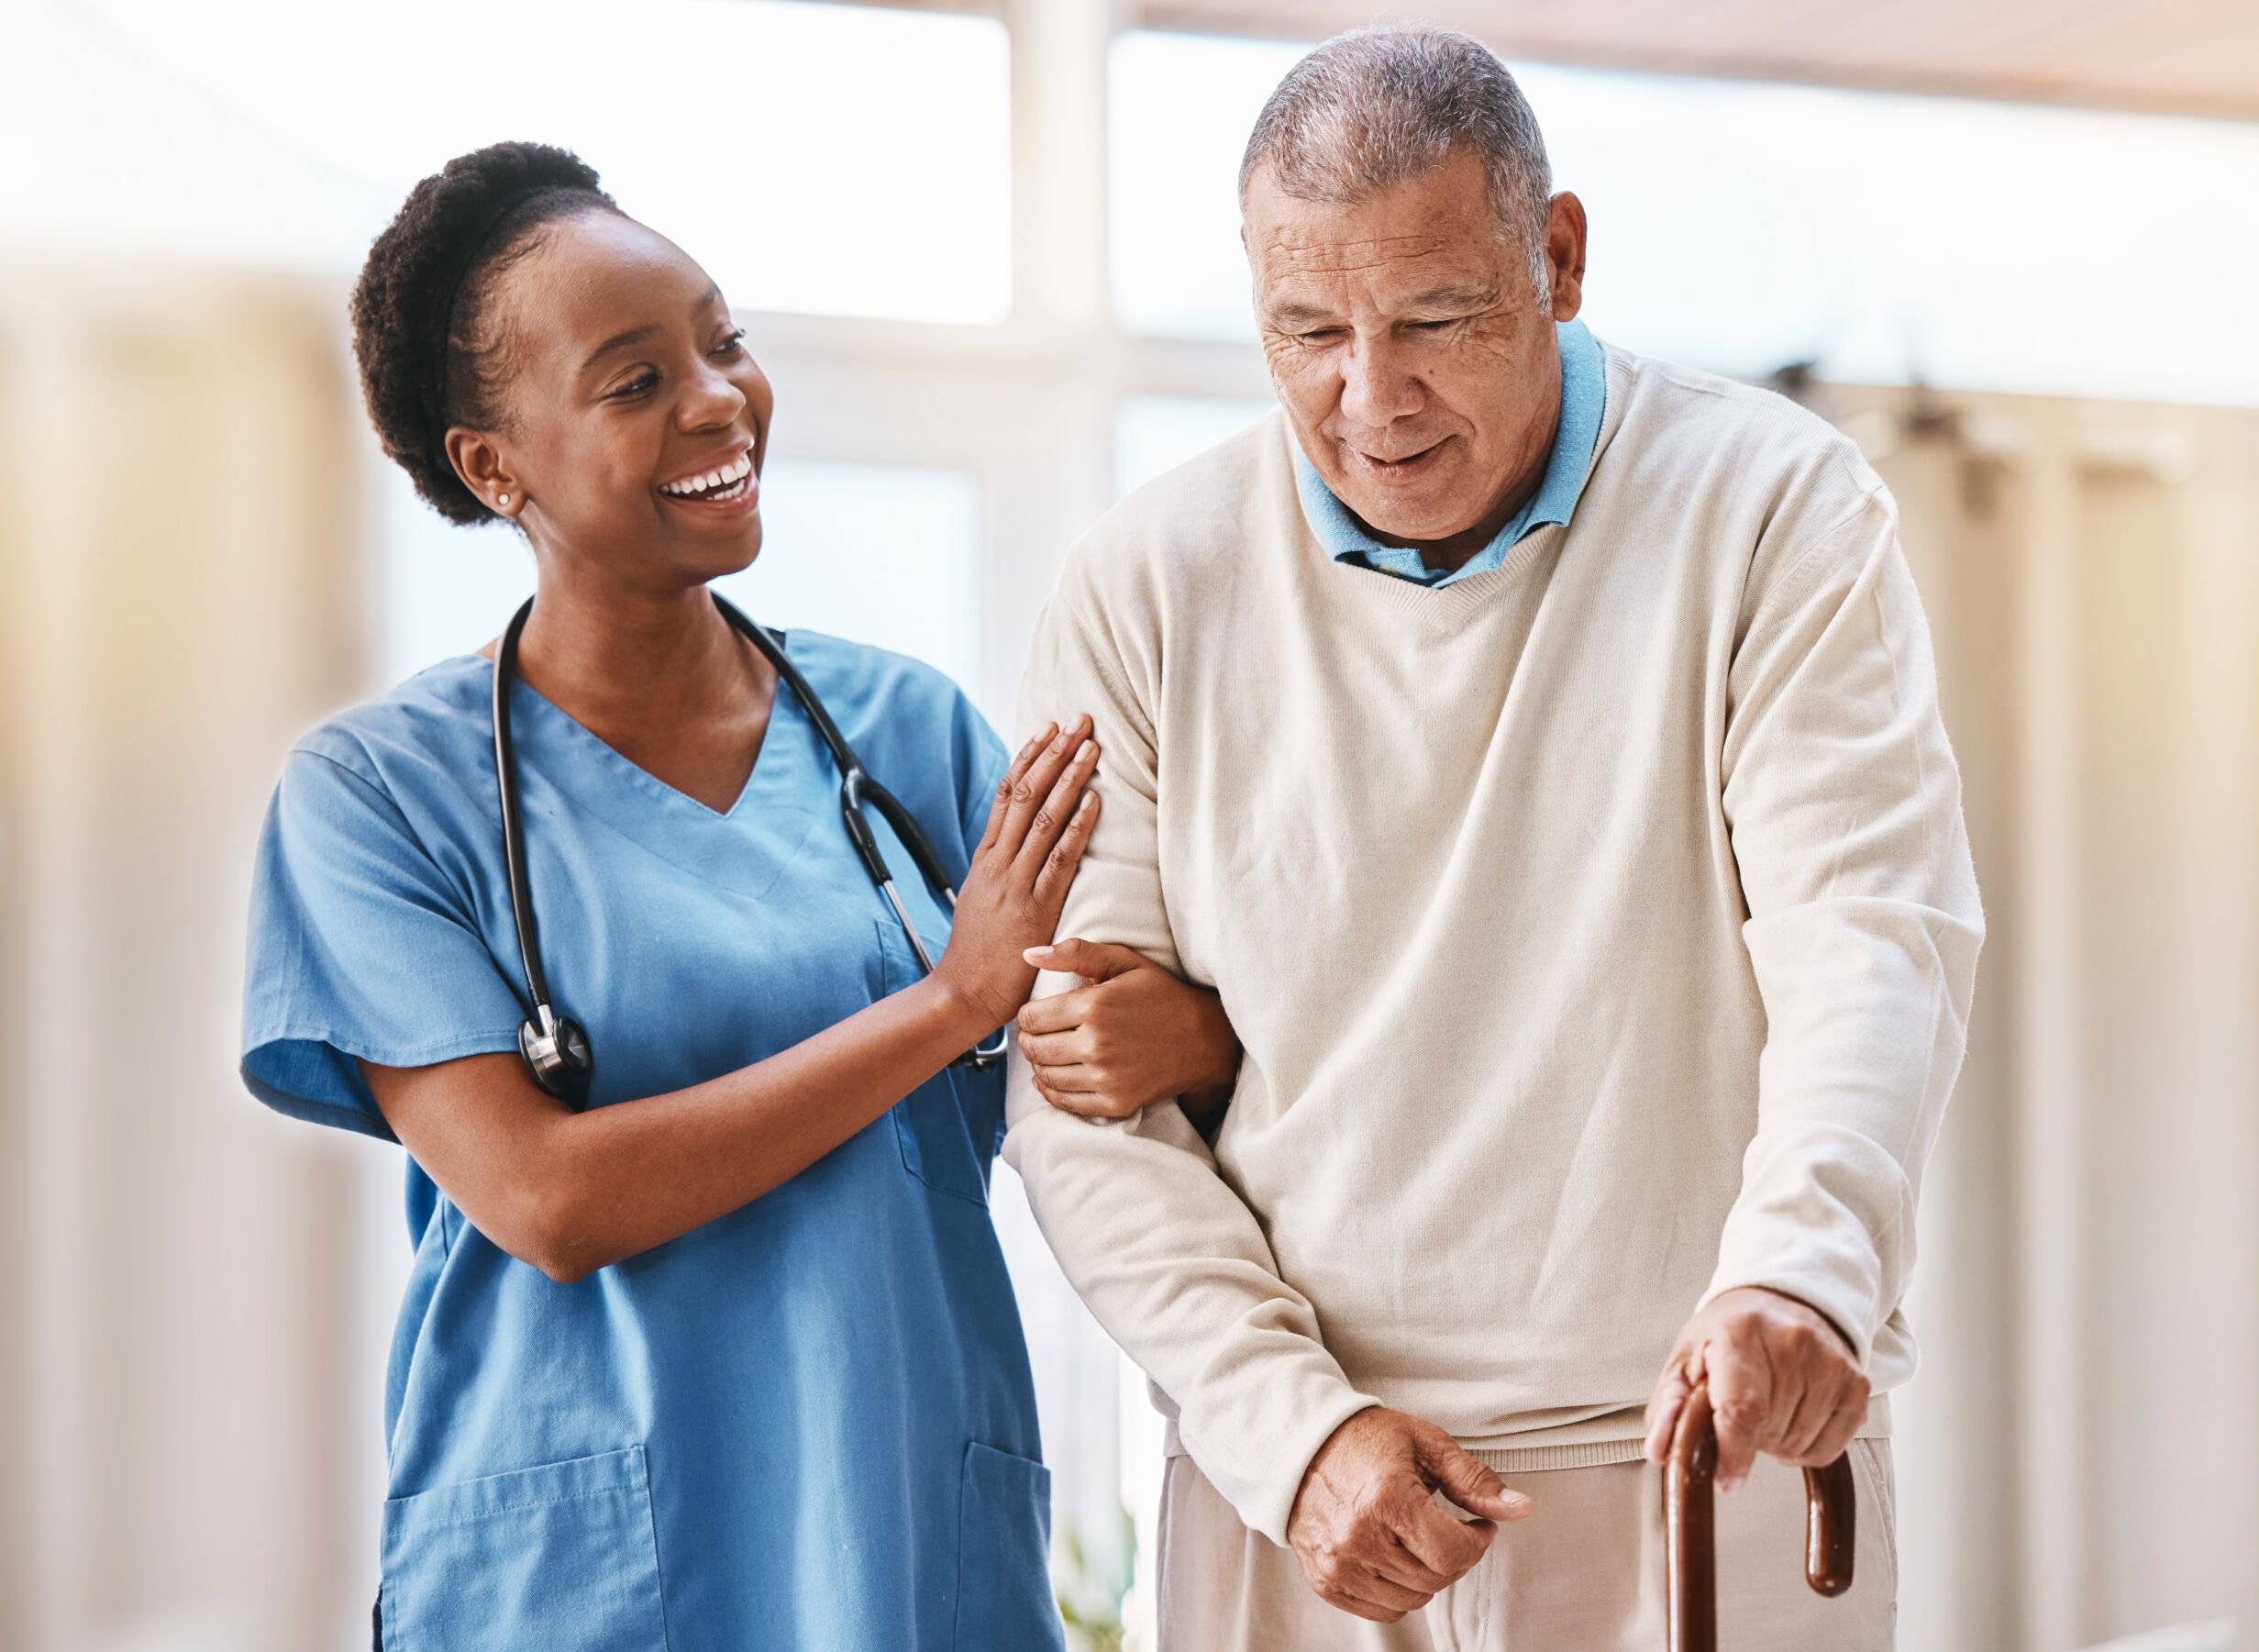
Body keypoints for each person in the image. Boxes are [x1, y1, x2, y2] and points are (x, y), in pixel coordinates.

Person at [1005, 27, 1984, 1651]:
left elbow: (1867, 935)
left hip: (1695, 1462)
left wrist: (1807, 1268)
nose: (1368, 398)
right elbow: (1079, 1100)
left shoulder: (1771, 507)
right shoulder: (1146, 578)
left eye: (1435, 322)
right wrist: (1287, 1428)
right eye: (1307, 330)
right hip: (1304, 1498)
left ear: (1561, 257)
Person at [238, 141, 1242, 1650]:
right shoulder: (382, 798)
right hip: (579, 1587)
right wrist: (948, 1005)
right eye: (635, 380)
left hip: (905, 1537)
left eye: (723, 342)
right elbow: (546, 1198)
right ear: (491, 465)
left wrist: (1195, 1031)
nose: (717, 399)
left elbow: (1117, 1057)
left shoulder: (907, 738)